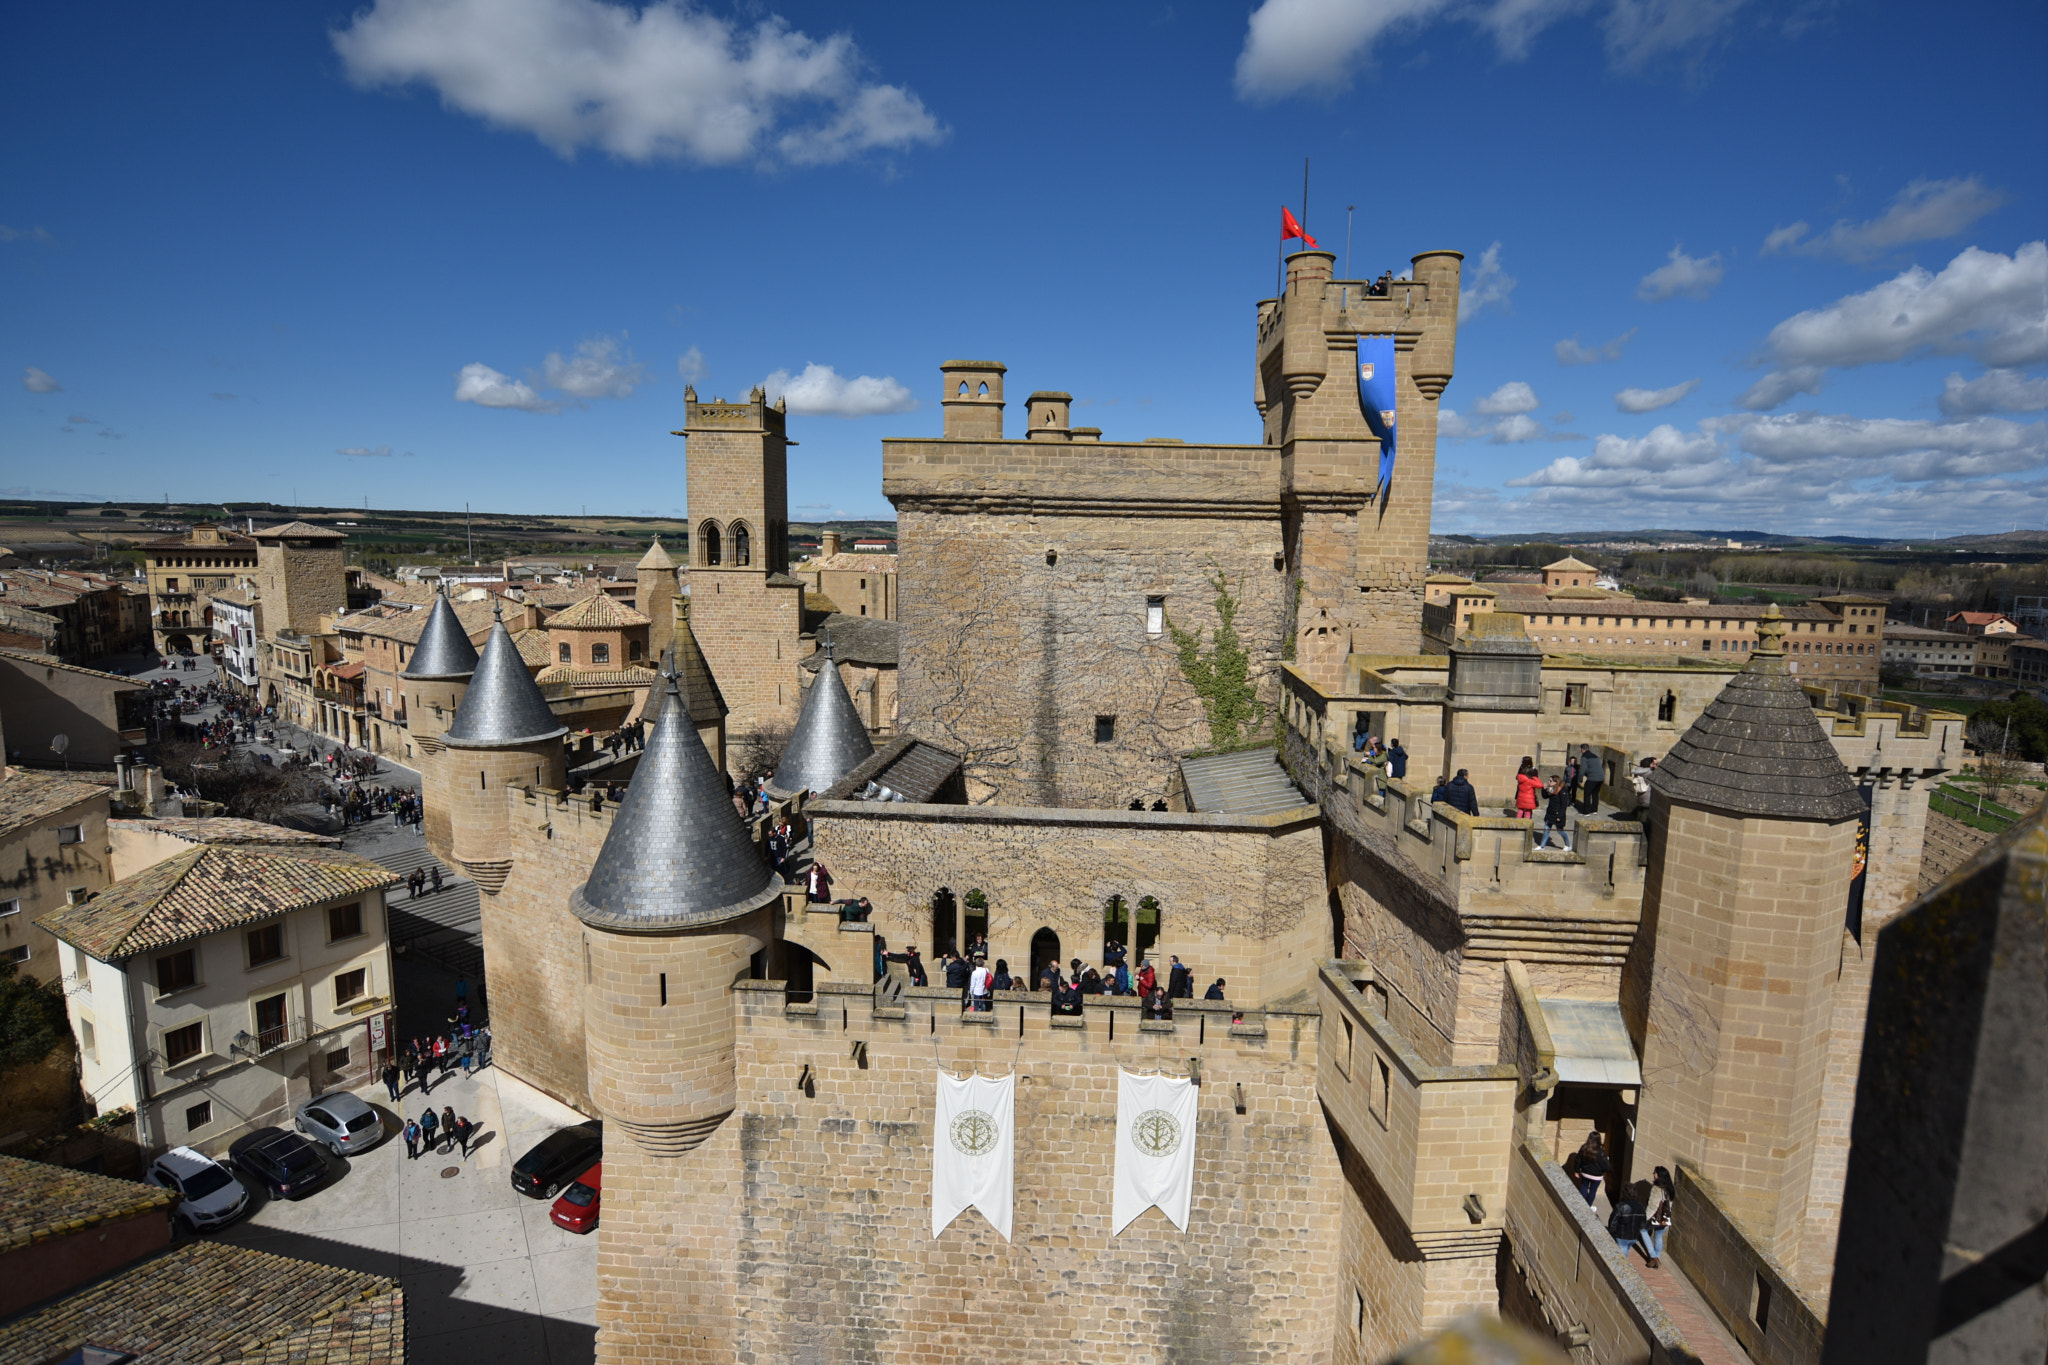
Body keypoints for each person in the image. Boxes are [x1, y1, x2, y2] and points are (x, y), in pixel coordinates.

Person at [1638, 1166, 1674, 1268]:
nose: (1653, 1174)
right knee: (1659, 1236)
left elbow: (1652, 1206)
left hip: (1656, 1216)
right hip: (1665, 1216)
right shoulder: (1670, 1188)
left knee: (1642, 1230)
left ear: (1658, 1175)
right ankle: (1657, 1257)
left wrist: (1644, 1218)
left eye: (1655, 1173)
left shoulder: (1656, 1189)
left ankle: (1653, 1257)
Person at [1570, 1132, 1610, 1206]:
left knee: (1584, 1187)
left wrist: (1576, 1170)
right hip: (1597, 1176)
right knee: (1593, 1191)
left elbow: (1578, 1160)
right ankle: (1588, 1206)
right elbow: (1606, 1167)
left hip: (1585, 1173)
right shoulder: (1602, 1151)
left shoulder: (1584, 1148)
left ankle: (1582, 1204)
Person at [1538, 776, 1574, 852]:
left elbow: (1564, 804)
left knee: (1560, 830)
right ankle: (1542, 846)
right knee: (1546, 829)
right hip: (1550, 812)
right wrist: (1544, 789)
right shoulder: (1551, 789)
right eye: (1549, 780)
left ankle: (1568, 845)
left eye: (1550, 781)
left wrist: (1560, 816)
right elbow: (1545, 796)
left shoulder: (1562, 790)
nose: (1549, 782)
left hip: (1557, 814)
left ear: (1555, 782)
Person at [1576, 744, 1605, 815]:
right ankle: (1594, 810)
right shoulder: (1595, 756)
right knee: (1595, 794)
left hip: (1593, 778)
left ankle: (1586, 811)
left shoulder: (1584, 757)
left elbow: (1582, 769)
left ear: (1582, 749)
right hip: (1601, 778)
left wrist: (1579, 780)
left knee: (1587, 794)